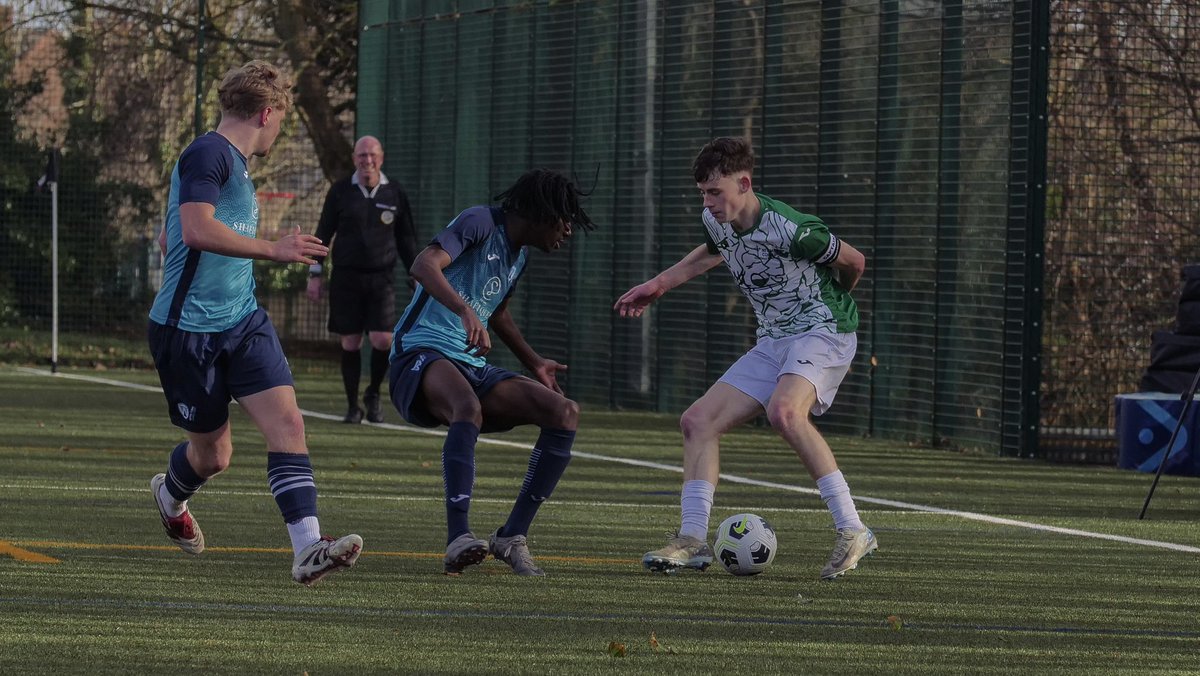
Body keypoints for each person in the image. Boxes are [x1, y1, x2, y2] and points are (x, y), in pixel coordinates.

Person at [614, 137, 876, 580]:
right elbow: (713, 252)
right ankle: (692, 540)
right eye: (702, 192)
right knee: (697, 421)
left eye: (715, 192)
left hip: (823, 331)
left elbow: (855, 261)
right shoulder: (716, 222)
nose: (708, 201)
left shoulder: (791, 228)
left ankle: (853, 529)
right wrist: (659, 284)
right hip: (775, 341)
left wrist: (829, 305)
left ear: (744, 183)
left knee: (785, 413)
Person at [147, 60, 362, 586]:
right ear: (268, 113)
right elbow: (195, 231)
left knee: (288, 424)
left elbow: (169, 237)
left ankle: (309, 547)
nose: (278, 129)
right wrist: (275, 248)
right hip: (188, 333)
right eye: (281, 120)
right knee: (214, 455)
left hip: (243, 321)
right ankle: (170, 496)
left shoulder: (235, 165)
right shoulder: (207, 153)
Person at [388, 169, 594, 576]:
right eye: (564, 218)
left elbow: (496, 311)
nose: (568, 230)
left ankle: (511, 536)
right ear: (540, 212)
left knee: (564, 412)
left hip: (470, 363)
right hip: (419, 353)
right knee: (467, 407)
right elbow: (423, 265)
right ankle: (458, 537)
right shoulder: (479, 221)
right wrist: (463, 309)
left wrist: (533, 361)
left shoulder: (520, 253)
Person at [306, 136, 418, 424]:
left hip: (382, 279)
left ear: (381, 158)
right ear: (355, 158)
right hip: (346, 277)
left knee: (383, 340)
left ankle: (373, 394)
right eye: (361, 155)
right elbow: (323, 231)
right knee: (351, 342)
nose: (367, 160)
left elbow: (406, 239)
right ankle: (353, 405)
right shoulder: (341, 191)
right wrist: (315, 273)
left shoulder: (394, 193)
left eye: (372, 155)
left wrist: (417, 274)